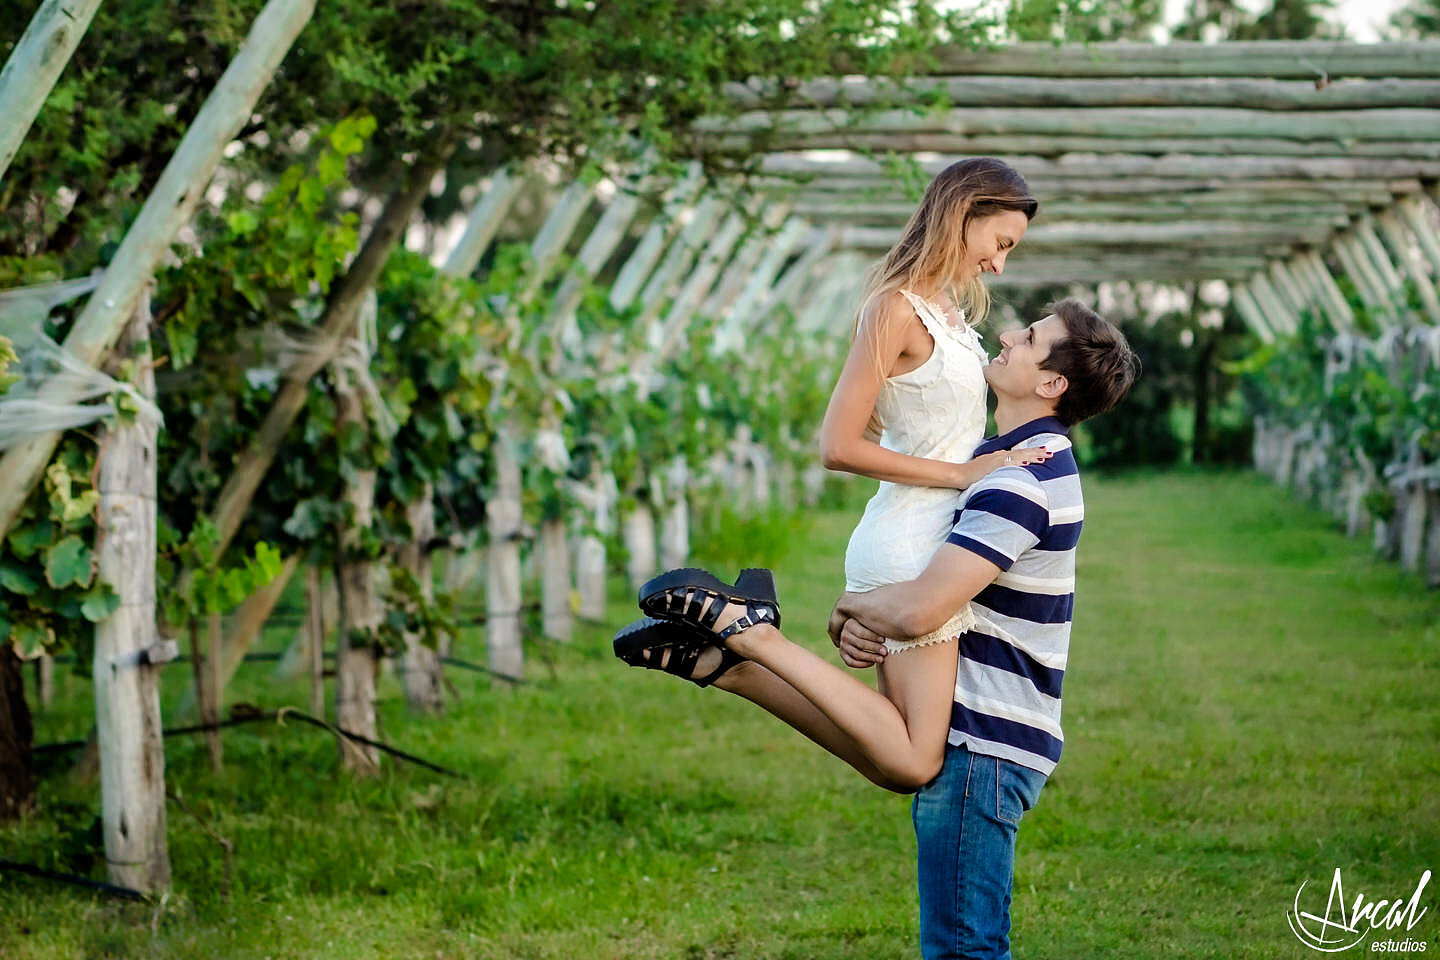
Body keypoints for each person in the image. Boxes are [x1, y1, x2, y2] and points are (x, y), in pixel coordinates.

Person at [614, 297, 1139, 959]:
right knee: (907, 785)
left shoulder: (1020, 483)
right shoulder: (1014, 461)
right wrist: (861, 612)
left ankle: (752, 638)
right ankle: (736, 662)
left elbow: (921, 609)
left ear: (1051, 383)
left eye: (1030, 338)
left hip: (989, 742)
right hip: (987, 734)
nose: (1006, 335)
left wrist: (853, 610)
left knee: (964, 948)